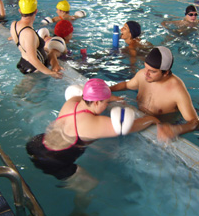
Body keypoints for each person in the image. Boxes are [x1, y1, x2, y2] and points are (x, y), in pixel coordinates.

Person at [26, 78, 159, 181]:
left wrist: (109, 98)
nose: (107, 104)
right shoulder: (93, 124)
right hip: (54, 160)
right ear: (96, 102)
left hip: (37, 143)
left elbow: (81, 97)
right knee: (90, 185)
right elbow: (130, 126)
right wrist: (151, 119)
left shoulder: (71, 102)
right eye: (105, 102)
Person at [110, 46, 199, 141]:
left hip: (159, 130)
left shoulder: (177, 90)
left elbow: (195, 122)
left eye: (152, 71)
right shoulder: (142, 75)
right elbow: (126, 85)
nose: (146, 73)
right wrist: (108, 89)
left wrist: (176, 129)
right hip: (141, 120)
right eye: (145, 68)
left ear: (166, 73)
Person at [10, 0, 62, 78]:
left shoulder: (14, 24)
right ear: (36, 11)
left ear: (20, 11)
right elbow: (32, 59)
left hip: (24, 62)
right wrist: (50, 73)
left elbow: (22, 43)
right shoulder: (29, 33)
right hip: (35, 69)